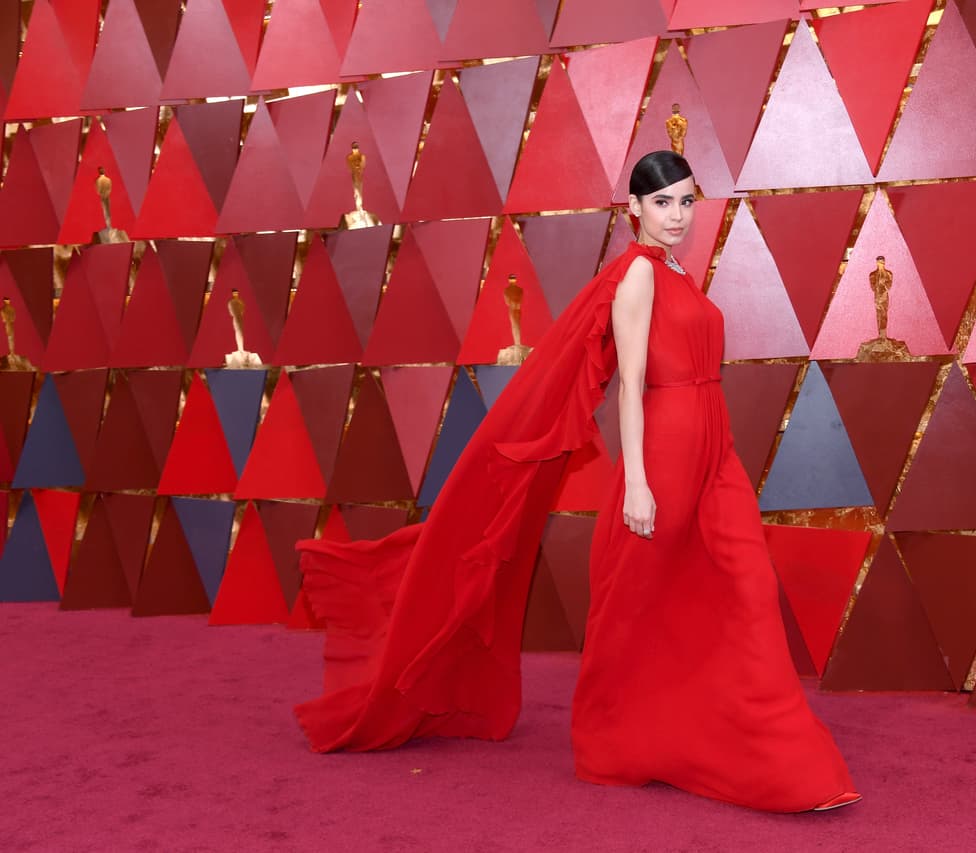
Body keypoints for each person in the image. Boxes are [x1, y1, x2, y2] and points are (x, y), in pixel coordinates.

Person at [294, 151, 860, 813]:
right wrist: (640, 482)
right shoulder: (638, 279)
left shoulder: (679, 271)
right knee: (637, 609)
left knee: (749, 590)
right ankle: (617, 741)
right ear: (635, 210)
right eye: (662, 203)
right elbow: (630, 388)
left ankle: (769, 753)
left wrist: (716, 456)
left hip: (717, 455)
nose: (677, 216)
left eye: (685, 201)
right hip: (667, 455)